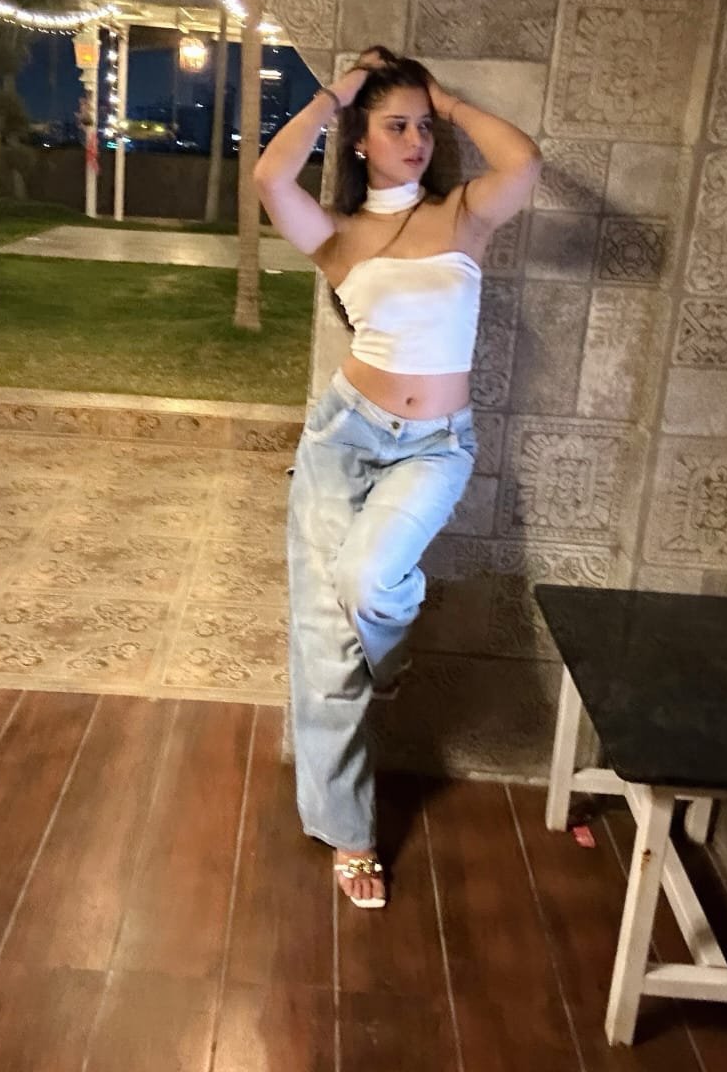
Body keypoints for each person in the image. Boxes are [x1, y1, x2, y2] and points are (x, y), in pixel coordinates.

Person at [253, 46, 542, 910]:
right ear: (361, 140)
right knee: (323, 646)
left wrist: (446, 100)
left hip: (433, 446)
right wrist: (336, 94)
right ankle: (350, 834)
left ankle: (389, 654)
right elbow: (270, 177)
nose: (415, 139)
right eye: (395, 125)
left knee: (370, 580)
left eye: (422, 126)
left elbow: (524, 162)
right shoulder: (339, 238)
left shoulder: (463, 214)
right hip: (343, 438)